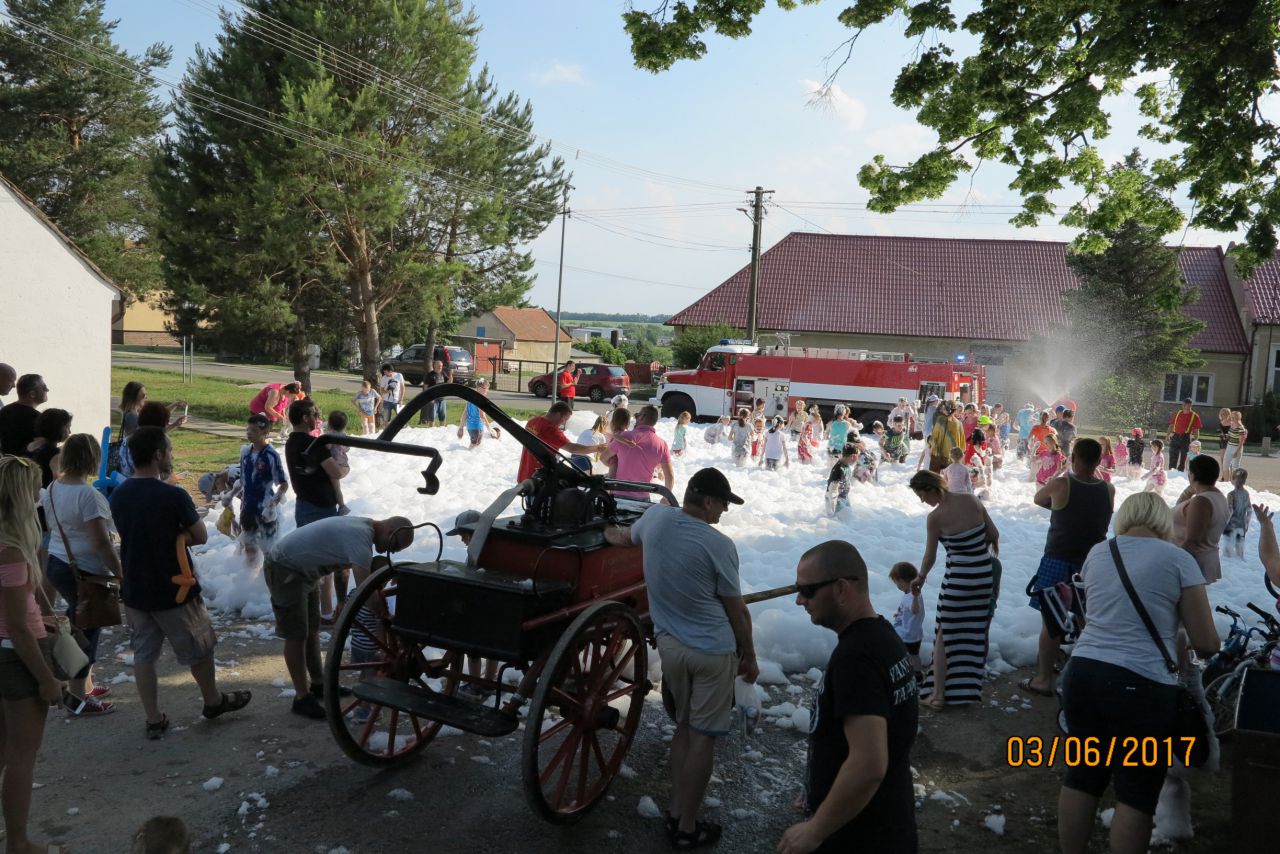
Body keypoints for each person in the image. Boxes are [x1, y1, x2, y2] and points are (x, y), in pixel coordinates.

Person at [1056, 493, 1218, 854]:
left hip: (1082, 674)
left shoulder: (1099, 552)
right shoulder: (1178, 559)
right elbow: (1207, 642)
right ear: (1163, 520)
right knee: (1136, 790)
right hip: (1141, 685)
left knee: (1082, 776)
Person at [604, 468, 757, 849]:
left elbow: (621, 536)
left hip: (671, 648)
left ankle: (675, 810)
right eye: (723, 503)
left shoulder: (655, 518)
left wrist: (603, 530)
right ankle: (687, 826)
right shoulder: (720, 545)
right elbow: (737, 611)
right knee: (702, 739)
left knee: (685, 729)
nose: (724, 511)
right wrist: (750, 656)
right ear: (707, 501)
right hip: (712, 652)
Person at [110, 427, 252, 739]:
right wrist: (179, 535)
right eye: (169, 450)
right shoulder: (173, 495)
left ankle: (153, 718)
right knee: (199, 647)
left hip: (136, 586)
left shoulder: (119, 494)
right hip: (176, 587)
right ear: (158, 454)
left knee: (144, 655)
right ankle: (212, 701)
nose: (171, 455)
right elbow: (200, 535)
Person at [780, 540, 918, 854]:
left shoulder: (856, 658)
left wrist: (816, 829)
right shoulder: (882, 636)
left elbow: (869, 764)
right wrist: (819, 789)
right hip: (887, 818)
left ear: (842, 589)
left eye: (808, 590)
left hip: (862, 835)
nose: (800, 600)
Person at [262, 515, 413, 718]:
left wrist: (341, 600)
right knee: (296, 635)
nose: (392, 552)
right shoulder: (361, 539)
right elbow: (367, 593)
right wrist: (388, 620)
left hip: (305, 571)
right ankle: (302, 698)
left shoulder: (363, 529)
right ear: (390, 532)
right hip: (284, 568)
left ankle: (318, 684)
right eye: (395, 546)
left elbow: (343, 566)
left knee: (312, 630)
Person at [0, 455, 67, 853]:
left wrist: (42, 616)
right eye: (36, 488)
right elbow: (17, 626)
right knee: (22, 757)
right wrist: (46, 678)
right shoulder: (9, 549)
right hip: (16, 655)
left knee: (4, 749)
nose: (41, 494)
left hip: (8, 649)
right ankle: (19, 842)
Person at [1021, 438, 1114, 698]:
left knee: (1052, 622)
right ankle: (1085, 677)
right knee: (1088, 621)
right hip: (1091, 563)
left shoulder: (1062, 484)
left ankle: (1043, 679)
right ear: (1099, 461)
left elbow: (1039, 498)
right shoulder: (1108, 489)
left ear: (1072, 459)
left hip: (1057, 559)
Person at [42, 433, 122, 713]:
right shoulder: (88, 495)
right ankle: (77, 697)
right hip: (84, 571)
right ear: (92, 458)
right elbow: (100, 542)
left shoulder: (53, 487)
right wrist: (119, 572)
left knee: (79, 624)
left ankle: (84, 685)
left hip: (58, 562)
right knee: (87, 631)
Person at [908, 469, 999, 709]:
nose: (922, 501)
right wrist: (974, 549)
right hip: (983, 576)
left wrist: (920, 577)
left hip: (959, 579)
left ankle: (938, 696)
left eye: (921, 495)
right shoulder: (971, 500)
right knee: (972, 632)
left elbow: (929, 557)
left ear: (931, 489)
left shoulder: (935, 518)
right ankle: (965, 691)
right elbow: (994, 533)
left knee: (944, 634)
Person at [223, 414, 289, 568]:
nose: (249, 433)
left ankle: (268, 579)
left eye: (253, 430)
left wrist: (272, 506)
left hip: (265, 508)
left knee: (269, 550)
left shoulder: (271, 455)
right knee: (249, 548)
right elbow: (243, 480)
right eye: (248, 429)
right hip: (248, 508)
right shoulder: (245, 452)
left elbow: (283, 484)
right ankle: (250, 577)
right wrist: (230, 495)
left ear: (265, 432)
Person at [286, 398, 347, 527]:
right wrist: (346, 467)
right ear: (305, 418)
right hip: (321, 507)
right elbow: (336, 473)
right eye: (315, 415)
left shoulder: (290, 442)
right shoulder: (314, 444)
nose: (317, 418)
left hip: (302, 504)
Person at [1172, 454, 1229, 584]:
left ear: (1192, 475)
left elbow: (1193, 541)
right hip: (1199, 560)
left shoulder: (1201, 501)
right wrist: (1189, 490)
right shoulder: (1217, 496)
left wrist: (1171, 563)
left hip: (1190, 563)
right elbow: (1179, 509)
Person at [601, 405, 675, 500]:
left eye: (638, 415)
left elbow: (603, 458)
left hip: (619, 496)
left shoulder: (623, 437)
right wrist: (666, 498)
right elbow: (669, 475)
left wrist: (617, 465)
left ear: (642, 417)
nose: (636, 417)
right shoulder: (662, 444)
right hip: (643, 498)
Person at [514, 402, 600, 484]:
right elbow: (573, 448)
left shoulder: (532, 421)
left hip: (525, 474)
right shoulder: (550, 429)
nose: (564, 423)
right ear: (558, 414)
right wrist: (597, 448)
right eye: (565, 419)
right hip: (539, 479)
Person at [889, 561, 925, 679]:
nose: (897, 585)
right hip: (914, 632)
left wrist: (915, 599)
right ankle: (917, 673)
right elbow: (908, 610)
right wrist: (899, 614)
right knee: (913, 655)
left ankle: (916, 675)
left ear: (904, 580)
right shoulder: (911, 593)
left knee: (910, 655)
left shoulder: (912, 596)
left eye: (897, 582)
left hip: (908, 635)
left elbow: (915, 610)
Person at [0, 373, 47, 456]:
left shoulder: (4, 411)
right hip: (28, 463)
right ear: (32, 394)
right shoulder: (39, 418)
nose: (47, 390)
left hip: (6, 462)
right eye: (44, 388)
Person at [456, 377, 498, 449]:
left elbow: (465, 414)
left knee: (473, 446)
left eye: (487, 389)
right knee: (474, 448)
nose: (487, 391)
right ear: (479, 388)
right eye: (485, 388)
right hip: (477, 427)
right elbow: (482, 416)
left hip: (470, 427)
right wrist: (489, 428)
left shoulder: (470, 399)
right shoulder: (480, 400)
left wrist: (461, 427)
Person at [1166, 398, 1202, 472]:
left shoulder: (1194, 416)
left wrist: (1195, 441)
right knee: (1172, 455)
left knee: (1184, 457)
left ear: (1191, 405)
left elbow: (1196, 430)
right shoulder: (1178, 413)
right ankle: (1172, 471)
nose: (1186, 407)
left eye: (1188, 405)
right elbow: (1171, 424)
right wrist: (1168, 435)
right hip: (1176, 436)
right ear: (1182, 405)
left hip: (1186, 437)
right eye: (1185, 405)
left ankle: (1181, 472)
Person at [926, 405, 963, 475]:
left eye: (943, 409)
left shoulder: (940, 421)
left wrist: (928, 440)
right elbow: (962, 446)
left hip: (938, 457)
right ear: (955, 411)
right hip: (953, 458)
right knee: (949, 479)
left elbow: (934, 440)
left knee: (935, 478)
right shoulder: (959, 424)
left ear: (946, 410)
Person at [1222, 469, 1250, 559]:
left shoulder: (1231, 494)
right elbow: (1249, 510)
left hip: (1231, 525)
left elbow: (1230, 511)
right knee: (1240, 552)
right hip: (1241, 525)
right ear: (1244, 481)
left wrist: (1224, 523)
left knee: (1227, 553)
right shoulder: (1246, 494)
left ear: (1233, 480)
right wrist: (1246, 524)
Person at [825, 444, 857, 515]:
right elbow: (832, 489)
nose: (857, 459)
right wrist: (833, 505)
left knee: (850, 516)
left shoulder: (846, 465)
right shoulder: (839, 469)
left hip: (843, 496)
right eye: (857, 456)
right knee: (839, 519)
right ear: (853, 456)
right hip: (836, 499)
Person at [422, 358, 451, 426]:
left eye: (441, 366)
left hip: (442, 399)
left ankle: (442, 431)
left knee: (442, 418)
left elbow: (449, 382)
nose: (440, 367)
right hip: (433, 400)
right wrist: (429, 398)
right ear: (434, 366)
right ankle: (432, 431)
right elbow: (425, 387)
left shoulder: (443, 373)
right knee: (432, 419)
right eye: (439, 366)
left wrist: (451, 375)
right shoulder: (430, 375)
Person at [1219, 410, 1247, 481]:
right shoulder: (1232, 425)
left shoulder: (1241, 428)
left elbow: (1241, 442)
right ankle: (1226, 482)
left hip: (1236, 448)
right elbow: (1230, 434)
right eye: (1231, 417)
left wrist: (1236, 452)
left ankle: (1235, 483)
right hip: (1229, 446)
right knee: (1225, 465)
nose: (1232, 419)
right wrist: (1226, 436)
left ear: (1238, 418)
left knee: (1235, 467)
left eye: (1233, 417)